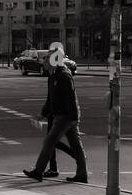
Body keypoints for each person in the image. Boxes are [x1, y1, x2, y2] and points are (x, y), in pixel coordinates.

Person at [23, 45, 88, 183]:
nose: (44, 62)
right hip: (64, 115)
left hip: (66, 115)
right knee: (75, 145)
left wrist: (74, 118)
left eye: (47, 59)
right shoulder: (52, 76)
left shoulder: (63, 75)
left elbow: (70, 99)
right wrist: (43, 114)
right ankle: (82, 174)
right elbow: (50, 99)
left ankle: (38, 171)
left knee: (49, 141)